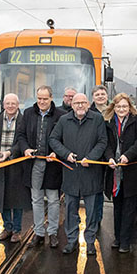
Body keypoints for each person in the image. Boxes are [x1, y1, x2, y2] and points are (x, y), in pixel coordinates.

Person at [49, 93, 107, 255]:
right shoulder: (64, 120)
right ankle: (72, 240)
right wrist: (65, 154)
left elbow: (103, 141)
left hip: (91, 173)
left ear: (88, 104)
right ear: (72, 105)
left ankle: (90, 241)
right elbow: (53, 139)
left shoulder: (97, 119)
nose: (80, 106)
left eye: (83, 103)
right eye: (77, 103)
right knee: (70, 210)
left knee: (91, 212)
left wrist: (92, 157)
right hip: (71, 173)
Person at [17, 86, 66, 248]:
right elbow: (21, 135)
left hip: (52, 165)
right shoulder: (28, 114)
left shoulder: (61, 115)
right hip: (33, 163)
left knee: (53, 200)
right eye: (39, 98)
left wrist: (57, 154)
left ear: (51, 98)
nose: (42, 102)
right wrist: (25, 149)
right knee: (36, 199)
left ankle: (52, 233)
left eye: (45, 99)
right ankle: (38, 232)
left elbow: (64, 139)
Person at [103, 93, 137, 253]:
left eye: (124, 106)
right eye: (118, 106)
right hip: (114, 171)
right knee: (117, 206)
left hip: (132, 171)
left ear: (130, 107)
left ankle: (126, 241)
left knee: (129, 206)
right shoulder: (108, 123)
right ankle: (118, 237)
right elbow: (106, 144)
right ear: (113, 107)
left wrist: (128, 155)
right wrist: (109, 158)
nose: (121, 109)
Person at [0, 94, 30, 244]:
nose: (11, 106)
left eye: (13, 103)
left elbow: (23, 140)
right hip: (0, 164)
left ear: (18, 105)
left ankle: (17, 230)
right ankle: (8, 227)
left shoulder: (24, 120)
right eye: (8, 103)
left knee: (17, 199)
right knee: (3, 197)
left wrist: (10, 152)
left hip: (17, 163)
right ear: (4, 104)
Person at [89, 85, 109, 226]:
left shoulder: (113, 111)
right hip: (93, 155)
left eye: (103, 94)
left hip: (108, 157)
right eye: (97, 94)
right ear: (93, 97)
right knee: (93, 190)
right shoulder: (88, 112)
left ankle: (99, 217)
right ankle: (93, 219)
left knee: (102, 189)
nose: (100, 96)